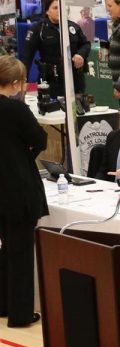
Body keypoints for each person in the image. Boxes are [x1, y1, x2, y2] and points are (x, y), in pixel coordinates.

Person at [0, 56, 47, 328]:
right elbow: (39, 140)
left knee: (4, 250)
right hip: (18, 188)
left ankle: (4, 304)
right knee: (20, 252)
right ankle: (20, 313)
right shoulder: (17, 110)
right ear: (16, 83)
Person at [21, 0, 91, 99]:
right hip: (51, 79)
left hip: (74, 78)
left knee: (77, 108)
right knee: (54, 111)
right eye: (55, 8)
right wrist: (23, 80)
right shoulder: (38, 29)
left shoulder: (73, 26)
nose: (59, 11)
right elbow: (27, 56)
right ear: (47, 11)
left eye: (61, 8)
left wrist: (80, 54)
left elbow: (86, 44)